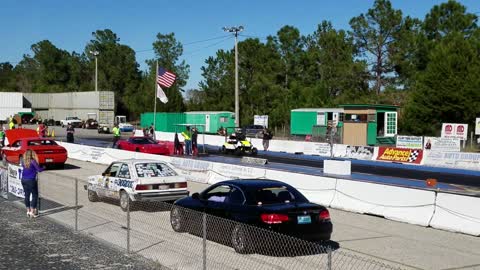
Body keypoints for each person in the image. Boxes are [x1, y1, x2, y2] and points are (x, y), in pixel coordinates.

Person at [21, 149, 43, 218]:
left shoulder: (23, 161)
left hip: (23, 179)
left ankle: (28, 211)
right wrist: (44, 167)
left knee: (26, 195)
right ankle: (32, 212)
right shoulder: (33, 161)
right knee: (34, 195)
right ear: (31, 155)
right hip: (31, 180)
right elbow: (39, 169)